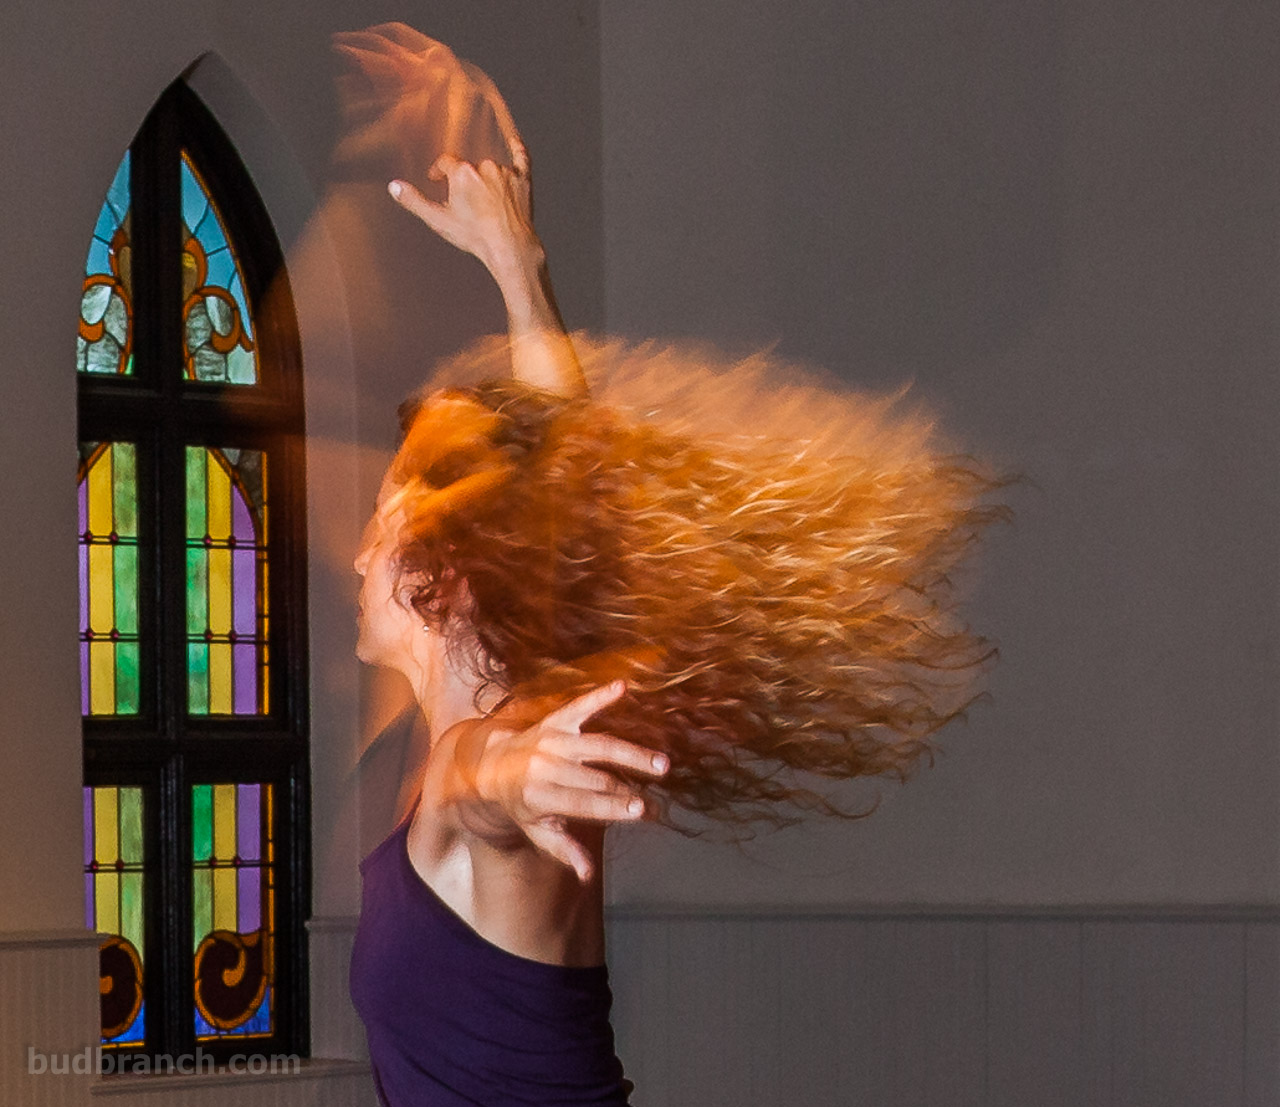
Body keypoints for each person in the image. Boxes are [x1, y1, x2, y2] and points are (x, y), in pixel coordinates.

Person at [347, 34, 1006, 1107]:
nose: (362, 550)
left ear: (448, 576)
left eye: (385, 523)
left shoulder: (483, 751)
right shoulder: (520, 692)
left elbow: (484, 788)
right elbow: (557, 478)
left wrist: (515, 777)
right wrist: (515, 266)